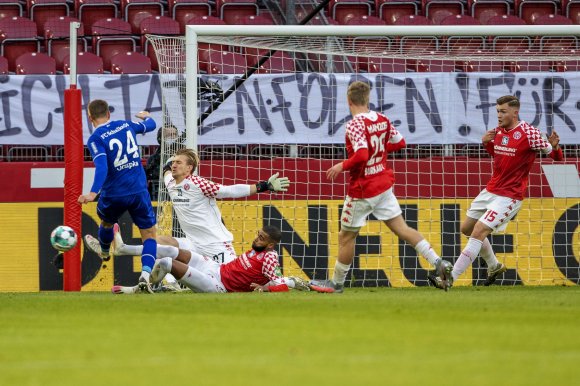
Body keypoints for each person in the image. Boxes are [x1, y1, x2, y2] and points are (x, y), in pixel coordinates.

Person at [309, 81, 452, 293]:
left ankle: (336, 283)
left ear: (349, 101)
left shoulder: (355, 124)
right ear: (367, 100)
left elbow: (362, 155)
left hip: (363, 189)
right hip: (383, 185)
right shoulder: (382, 119)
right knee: (403, 229)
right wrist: (381, 151)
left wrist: (342, 165)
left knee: (346, 237)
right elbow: (401, 142)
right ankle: (438, 262)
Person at [430, 95, 563, 290]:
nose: (499, 116)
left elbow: (555, 156)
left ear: (515, 112)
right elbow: (500, 155)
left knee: (478, 231)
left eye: (503, 112)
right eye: (498, 112)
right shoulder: (498, 132)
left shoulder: (529, 133)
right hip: (490, 190)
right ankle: (494, 266)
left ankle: (449, 279)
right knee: (466, 229)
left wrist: (555, 146)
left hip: (510, 195)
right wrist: (487, 143)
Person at [79, 99, 158, 293]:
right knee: (149, 235)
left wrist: (92, 192)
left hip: (114, 194)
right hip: (139, 191)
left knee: (106, 224)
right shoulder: (125, 125)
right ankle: (145, 276)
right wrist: (147, 117)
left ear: (90, 118)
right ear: (108, 114)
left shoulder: (96, 139)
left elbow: (103, 166)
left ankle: (104, 250)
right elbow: (152, 125)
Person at [111, 225, 310, 294]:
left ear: (271, 245)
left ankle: (138, 288)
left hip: (217, 285)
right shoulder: (257, 250)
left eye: (262, 238)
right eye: (258, 235)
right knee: (170, 250)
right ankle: (122, 248)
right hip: (216, 267)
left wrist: (264, 288)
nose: (256, 239)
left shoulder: (270, 258)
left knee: (166, 264)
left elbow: (280, 284)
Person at [145, 125, 179, 201]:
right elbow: (148, 176)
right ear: (160, 138)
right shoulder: (154, 157)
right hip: (159, 193)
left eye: (174, 135)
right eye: (169, 135)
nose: (172, 137)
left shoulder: (183, 156)